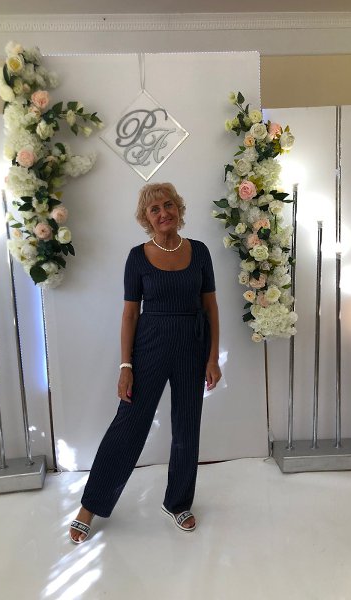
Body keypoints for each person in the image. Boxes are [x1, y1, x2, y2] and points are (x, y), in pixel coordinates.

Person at [69, 182, 221, 543]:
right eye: (155, 209)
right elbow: (129, 314)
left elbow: (210, 306)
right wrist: (126, 366)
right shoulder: (137, 257)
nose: (163, 212)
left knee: (187, 427)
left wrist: (213, 357)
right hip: (149, 346)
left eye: (169, 205)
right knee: (129, 425)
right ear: (145, 218)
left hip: (192, 346)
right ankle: (91, 505)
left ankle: (178, 502)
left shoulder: (199, 251)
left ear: (179, 208)